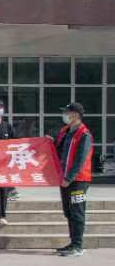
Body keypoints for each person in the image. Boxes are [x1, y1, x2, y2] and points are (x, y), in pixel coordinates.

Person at [55, 103, 93, 257]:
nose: (65, 115)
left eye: (67, 112)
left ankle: (78, 246)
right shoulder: (65, 132)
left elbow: (80, 160)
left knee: (77, 212)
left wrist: (69, 178)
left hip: (78, 180)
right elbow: (57, 151)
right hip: (64, 179)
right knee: (68, 211)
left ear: (75, 115)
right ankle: (72, 243)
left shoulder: (84, 134)